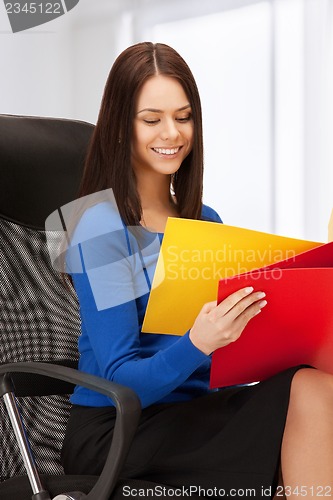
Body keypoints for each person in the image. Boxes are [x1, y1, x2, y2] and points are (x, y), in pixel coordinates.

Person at [61, 42, 333, 497]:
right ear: (121, 126)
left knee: (312, 386)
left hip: (193, 416)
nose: (172, 133)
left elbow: (227, 362)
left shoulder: (205, 222)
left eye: (183, 117)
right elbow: (121, 381)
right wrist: (199, 342)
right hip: (119, 428)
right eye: (152, 119)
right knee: (307, 398)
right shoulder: (101, 228)